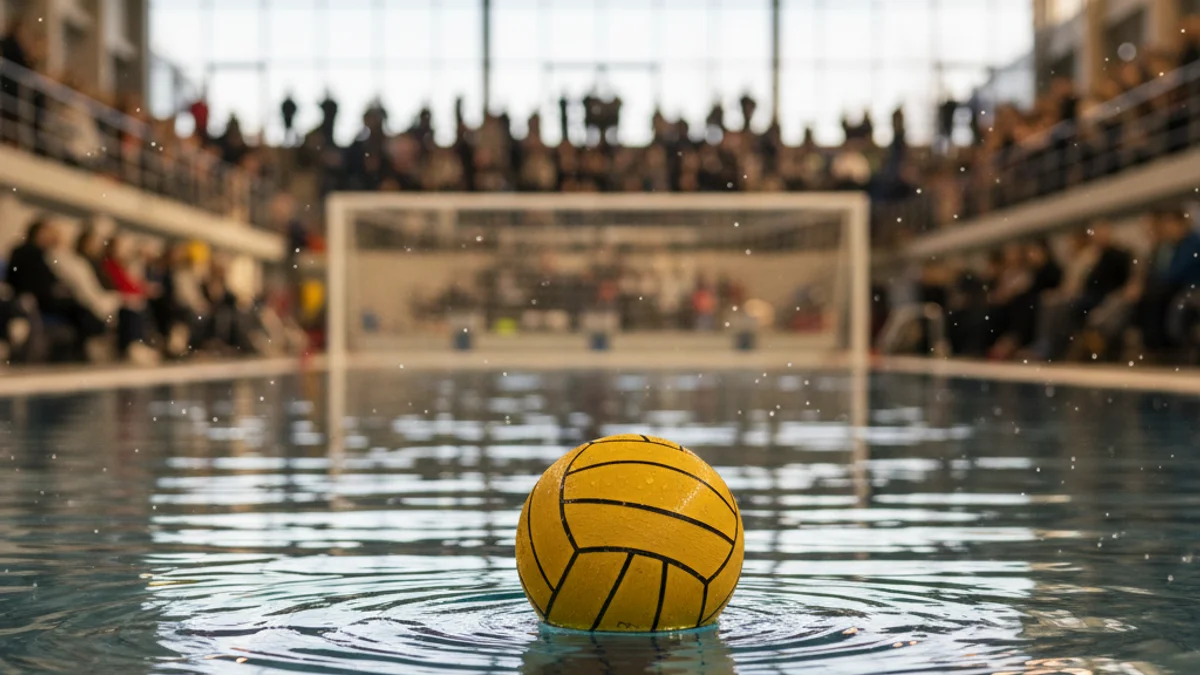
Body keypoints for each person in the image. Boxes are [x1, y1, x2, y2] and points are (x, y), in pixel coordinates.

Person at [7, 217, 107, 361]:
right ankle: (90, 338)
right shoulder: (25, 252)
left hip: (47, 296)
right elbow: (23, 280)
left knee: (78, 307)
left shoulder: (42, 254)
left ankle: (85, 341)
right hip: (38, 298)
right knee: (78, 308)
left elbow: (51, 277)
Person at [101, 235, 159, 363]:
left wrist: (142, 290)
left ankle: (138, 343)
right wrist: (143, 291)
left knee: (140, 304)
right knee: (135, 305)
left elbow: (131, 284)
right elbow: (123, 285)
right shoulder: (110, 264)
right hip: (115, 298)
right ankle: (131, 345)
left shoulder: (121, 265)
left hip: (124, 297)